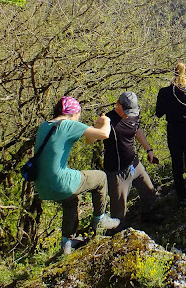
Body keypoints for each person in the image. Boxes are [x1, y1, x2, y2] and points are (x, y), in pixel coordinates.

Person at [33, 96, 120, 255]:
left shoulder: (45, 126)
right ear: (73, 113)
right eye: (78, 114)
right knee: (100, 178)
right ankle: (100, 218)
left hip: (41, 185)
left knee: (71, 200)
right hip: (59, 181)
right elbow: (104, 134)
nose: (79, 117)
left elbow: (89, 140)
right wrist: (106, 120)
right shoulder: (68, 124)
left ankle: (67, 243)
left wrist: (95, 127)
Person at [103, 91, 160, 227]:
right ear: (117, 104)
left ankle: (146, 216)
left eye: (131, 111)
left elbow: (137, 131)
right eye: (126, 111)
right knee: (119, 213)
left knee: (149, 192)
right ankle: (117, 237)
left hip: (134, 165)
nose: (129, 114)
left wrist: (149, 150)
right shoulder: (107, 120)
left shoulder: (134, 114)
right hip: (117, 172)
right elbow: (93, 137)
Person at [155, 63, 186, 206]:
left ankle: (181, 197)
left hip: (173, 132)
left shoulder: (163, 92)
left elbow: (159, 113)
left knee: (177, 165)